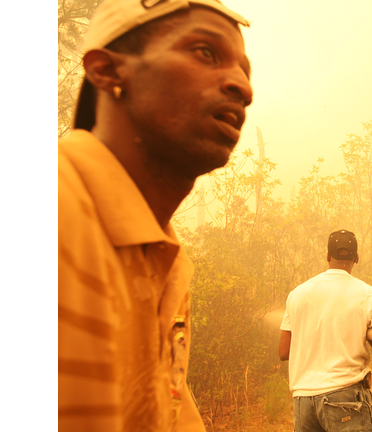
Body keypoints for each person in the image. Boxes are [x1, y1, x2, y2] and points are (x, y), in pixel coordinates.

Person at [58, 1, 252, 431]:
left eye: (246, 70)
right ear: (107, 71)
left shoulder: (168, 256)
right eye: (205, 52)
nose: (243, 86)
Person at [279, 230, 372, 432]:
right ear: (356, 258)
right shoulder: (368, 294)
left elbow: (283, 351)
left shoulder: (297, 294)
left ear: (327, 256)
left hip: (303, 401)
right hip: (344, 397)